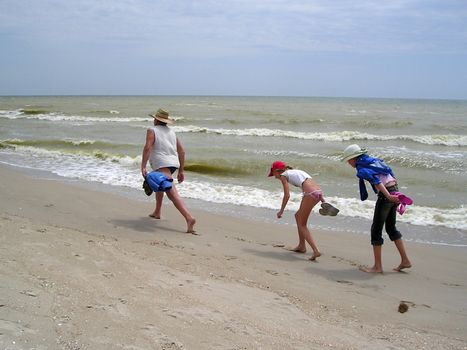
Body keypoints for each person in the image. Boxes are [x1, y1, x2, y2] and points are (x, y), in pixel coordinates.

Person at [342, 144, 412, 273]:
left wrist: (388, 196)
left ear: (354, 158)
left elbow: (376, 182)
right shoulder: (375, 161)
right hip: (395, 190)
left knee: (376, 230)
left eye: (348, 160)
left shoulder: (362, 168)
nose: (348, 163)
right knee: (391, 228)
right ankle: (405, 260)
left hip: (387, 195)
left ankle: (377, 267)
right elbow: (391, 175)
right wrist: (394, 193)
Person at [269, 161, 338, 261]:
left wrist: (281, 211)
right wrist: (322, 200)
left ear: (277, 171)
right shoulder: (297, 172)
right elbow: (311, 184)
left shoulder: (283, 175)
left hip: (310, 194)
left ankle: (316, 250)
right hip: (318, 193)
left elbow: (287, 195)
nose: (275, 177)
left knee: (302, 224)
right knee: (298, 216)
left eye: (274, 174)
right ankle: (301, 246)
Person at [141, 108, 196, 233]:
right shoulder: (172, 132)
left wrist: (143, 165)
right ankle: (157, 211)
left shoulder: (152, 130)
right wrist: (181, 170)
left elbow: (147, 148)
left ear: (156, 119)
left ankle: (189, 217)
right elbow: (182, 151)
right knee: (160, 185)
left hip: (162, 163)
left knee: (172, 193)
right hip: (173, 164)